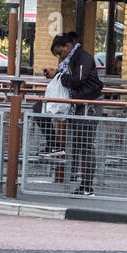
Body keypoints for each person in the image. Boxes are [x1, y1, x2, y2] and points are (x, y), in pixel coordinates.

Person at [46, 31, 103, 196]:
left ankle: (87, 186)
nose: (60, 57)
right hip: (80, 104)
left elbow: (78, 80)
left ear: (68, 46)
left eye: (60, 52)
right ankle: (84, 184)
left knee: (85, 146)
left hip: (88, 105)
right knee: (80, 145)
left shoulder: (82, 57)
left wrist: (59, 76)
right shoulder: (74, 59)